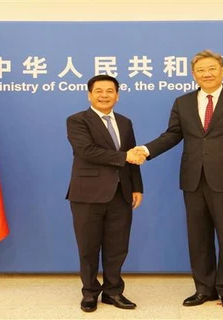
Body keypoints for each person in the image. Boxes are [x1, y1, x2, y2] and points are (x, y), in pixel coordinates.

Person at [135, 49, 223, 310]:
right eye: (201, 70)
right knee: (198, 236)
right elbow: (172, 135)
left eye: (212, 68)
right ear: (193, 75)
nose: (207, 74)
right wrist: (146, 151)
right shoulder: (183, 102)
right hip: (193, 179)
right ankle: (204, 289)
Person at [66, 74, 146, 312]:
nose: (104, 95)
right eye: (98, 91)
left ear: (117, 95)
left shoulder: (125, 122)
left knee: (117, 247)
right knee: (88, 247)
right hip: (87, 194)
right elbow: (87, 151)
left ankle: (113, 292)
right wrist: (124, 157)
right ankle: (90, 292)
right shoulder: (77, 120)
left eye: (109, 91)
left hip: (121, 193)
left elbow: (132, 157)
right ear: (89, 94)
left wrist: (137, 187)